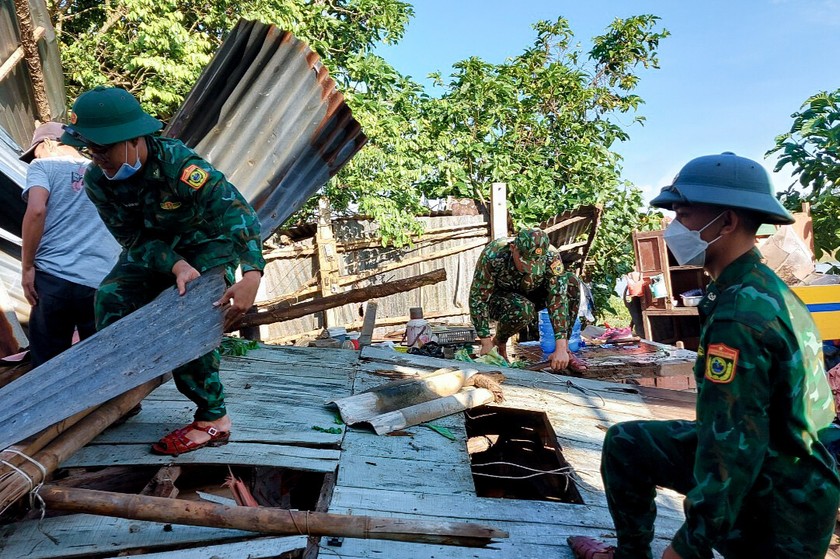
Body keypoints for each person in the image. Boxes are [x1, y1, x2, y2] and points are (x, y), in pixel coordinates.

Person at [568, 152, 839, 559]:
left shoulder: (741, 315)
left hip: (786, 499)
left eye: (685, 214)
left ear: (727, 222)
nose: (674, 228)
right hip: (769, 458)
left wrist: (686, 546)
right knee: (628, 442)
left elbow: (734, 448)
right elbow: (728, 431)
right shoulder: (748, 287)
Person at [60, 86, 265, 455]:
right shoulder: (96, 181)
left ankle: (213, 419)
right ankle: (125, 391)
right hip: (156, 249)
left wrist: (252, 273)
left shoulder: (178, 165)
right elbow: (132, 239)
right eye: (90, 149)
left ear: (134, 139)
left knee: (190, 315)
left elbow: (236, 212)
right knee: (110, 298)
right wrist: (174, 264)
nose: (97, 158)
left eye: (104, 148)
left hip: (206, 243)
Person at [19, 122, 120, 367]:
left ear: (49, 143)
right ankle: (110, 405)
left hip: (52, 277)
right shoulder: (103, 170)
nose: (35, 157)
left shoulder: (42, 165)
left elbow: (36, 211)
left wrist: (27, 267)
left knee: (47, 362)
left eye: (36, 151)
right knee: (99, 359)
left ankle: (47, 405)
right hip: (100, 279)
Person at [468, 227, 584, 372]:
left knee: (571, 282)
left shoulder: (552, 257)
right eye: (525, 262)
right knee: (523, 308)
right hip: (501, 301)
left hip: (533, 296)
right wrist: (485, 342)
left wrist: (560, 347)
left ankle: (565, 352)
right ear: (513, 248)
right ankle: (499, 343)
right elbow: (478, 298)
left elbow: (558, 298)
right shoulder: (494, 254)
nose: (530, 269)